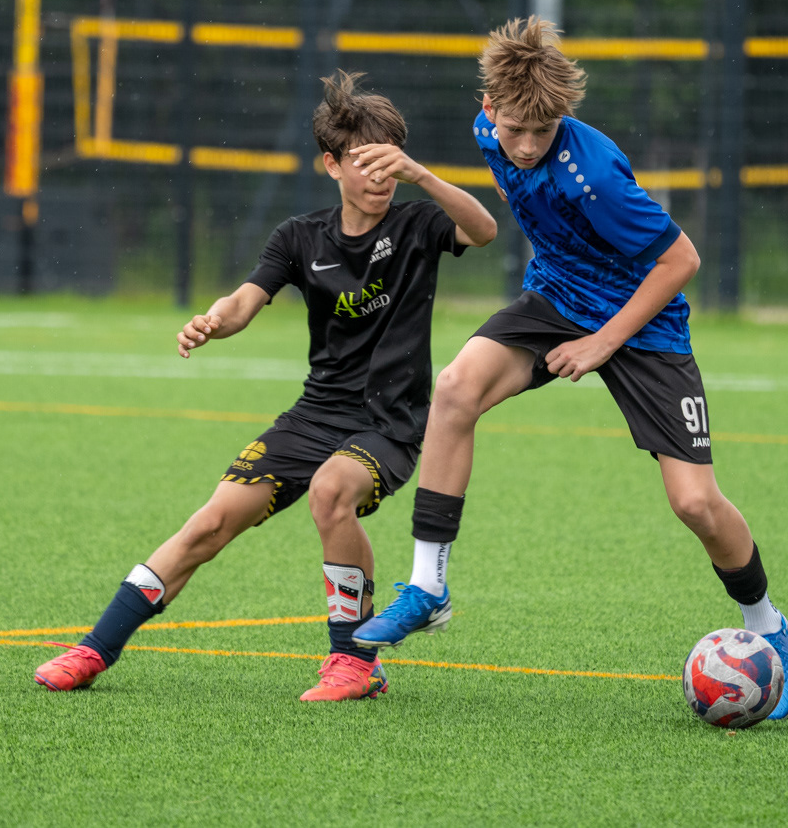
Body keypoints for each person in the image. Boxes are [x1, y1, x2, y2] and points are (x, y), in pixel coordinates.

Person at [353, 17, 788, 720]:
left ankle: (768, 623)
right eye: (516, 130)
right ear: (491, 109)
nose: (528, 145)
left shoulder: (594, 177)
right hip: (558, 297)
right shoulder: (488, 132)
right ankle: (428, 585)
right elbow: (521, 198)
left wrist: (600, 343)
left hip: (644, 324)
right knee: (456, 387)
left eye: (544, 131)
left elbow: (681, 259)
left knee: (694, 503)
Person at [34, 71, 498, 702]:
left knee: (331, 491)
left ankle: (353, 661)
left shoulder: (418, 224)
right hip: (313, 417)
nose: (380, 177)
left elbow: (483, 230)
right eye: (365, 163)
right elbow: (244, 302)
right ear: (331, 165)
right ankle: (95, 648)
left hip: (387, 423)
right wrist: (211, 322)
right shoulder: (300, 237)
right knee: (209, 524)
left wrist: (423, 176)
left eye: (389, 162)